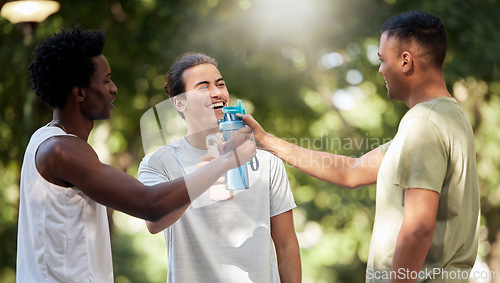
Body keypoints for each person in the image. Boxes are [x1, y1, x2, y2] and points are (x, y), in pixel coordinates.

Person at [242, 11, 479, 282]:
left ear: (405, 61)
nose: (380, 70)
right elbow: (352, 171)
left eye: (382, 60)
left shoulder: (423, 123)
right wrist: (268, 141)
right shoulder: (450, 118)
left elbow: (419, 227)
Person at [17, 27, 255, 282]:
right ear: (79, 92)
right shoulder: (61, 150)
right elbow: (150, 204)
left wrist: (203, 171)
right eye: (106, 80)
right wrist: (228, 159)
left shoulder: (49, 141)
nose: (114, 89)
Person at [138, 52, 301, 283]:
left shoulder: (267, 162)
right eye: (203, 87)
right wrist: (212, 169)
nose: (217, 93)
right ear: (179, 103)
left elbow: (286, 244)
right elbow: (154, 223)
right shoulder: (159, 163)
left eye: (220, 84)